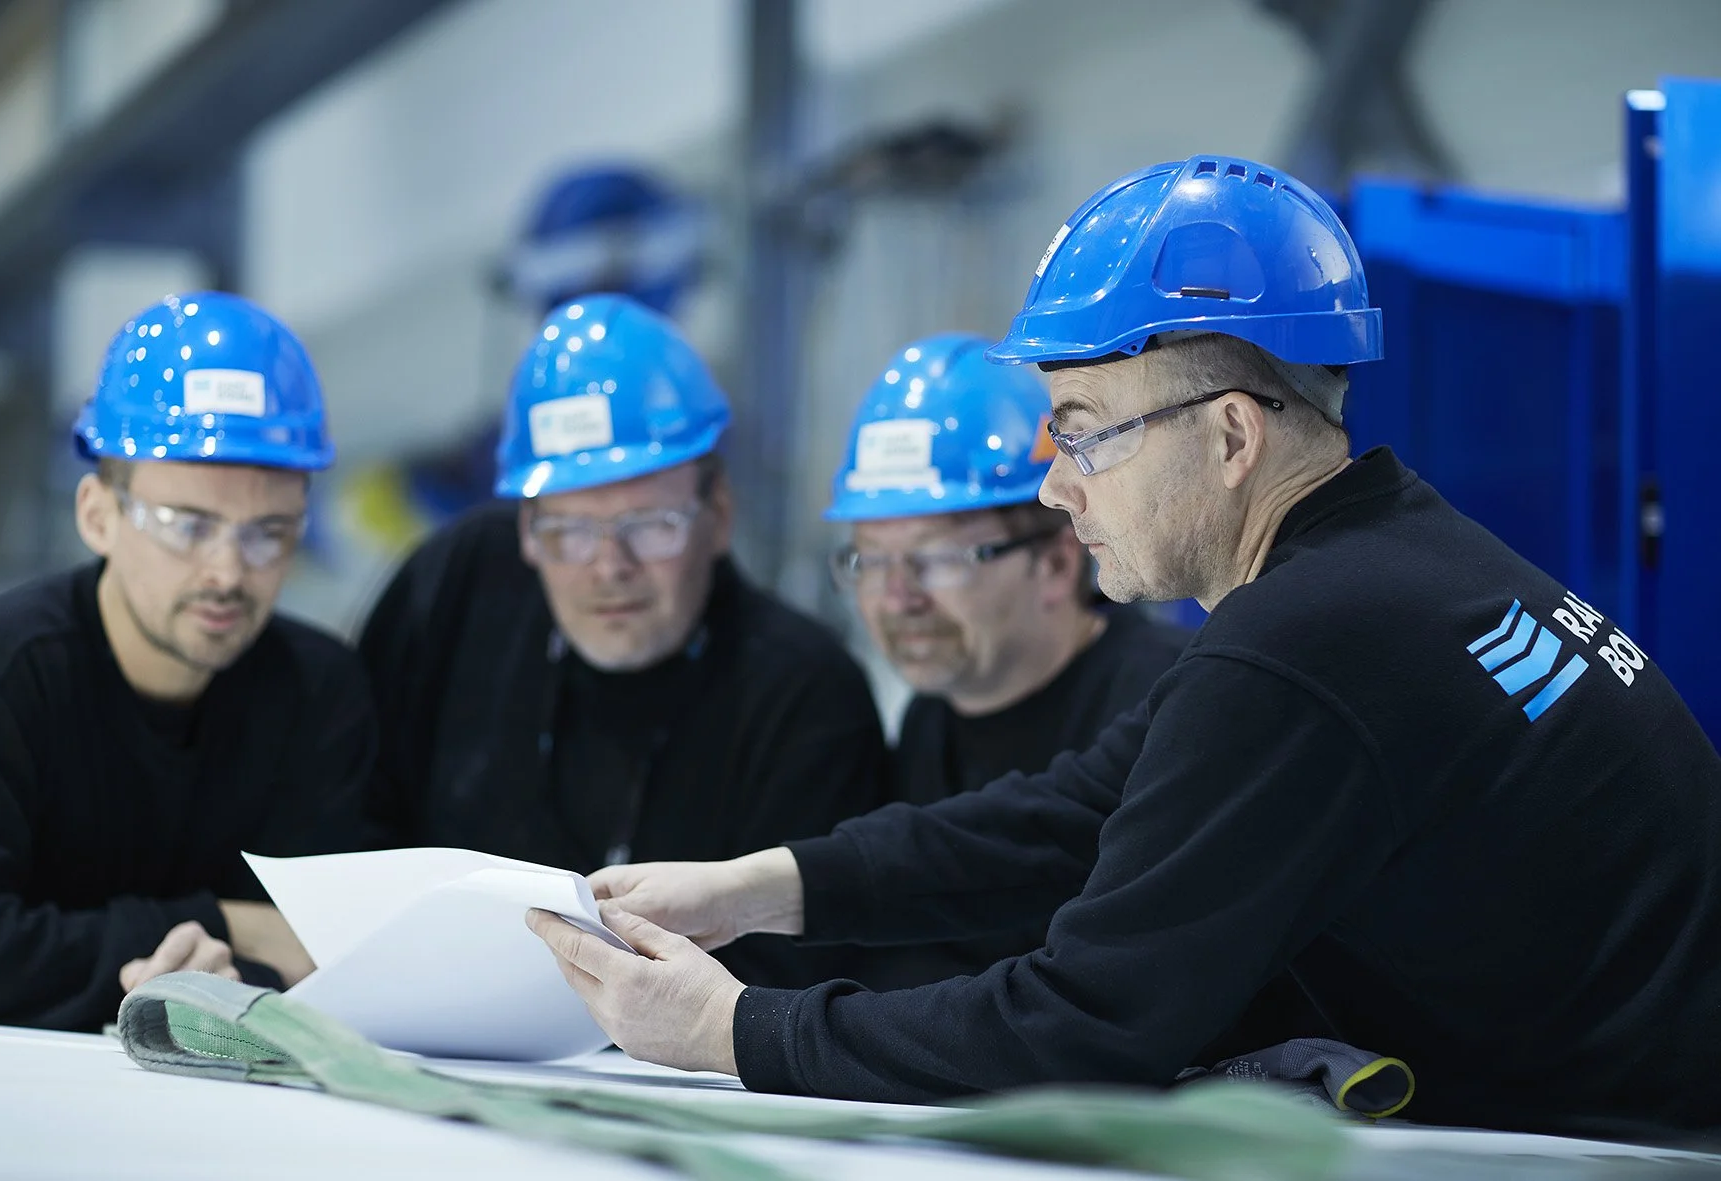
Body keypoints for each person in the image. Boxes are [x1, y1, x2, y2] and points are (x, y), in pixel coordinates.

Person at [528, 157, 1721, 1138]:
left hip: (1626, 1146)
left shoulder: (1309, 641)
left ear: (1231, 435)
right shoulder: (1394, 561)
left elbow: (1084, 1021)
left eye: (1085, 434)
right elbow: (1080, 808)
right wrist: (757, 888)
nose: (1052, 486)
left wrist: (731, 1031)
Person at [359, 293, 890, 989]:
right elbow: (354, 824)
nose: (610, 566)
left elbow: (801, 990)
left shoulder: (807, 695)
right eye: (570, 530)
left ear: (718, 512)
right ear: (524, 527)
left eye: (650, 522)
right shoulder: (456, 592)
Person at [0, 292, 375, 1031]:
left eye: (267, 532)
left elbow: (346, 953)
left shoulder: (321, 696)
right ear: (97, 514)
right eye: (188, 525)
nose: (227, 571)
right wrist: (217, 925)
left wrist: (217, 966)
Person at [827, 332, 1188, 989]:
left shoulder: (1166, 702)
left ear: (1055, 562)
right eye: (871, 561)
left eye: (936, 559)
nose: (897, 598)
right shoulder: (930, 722)